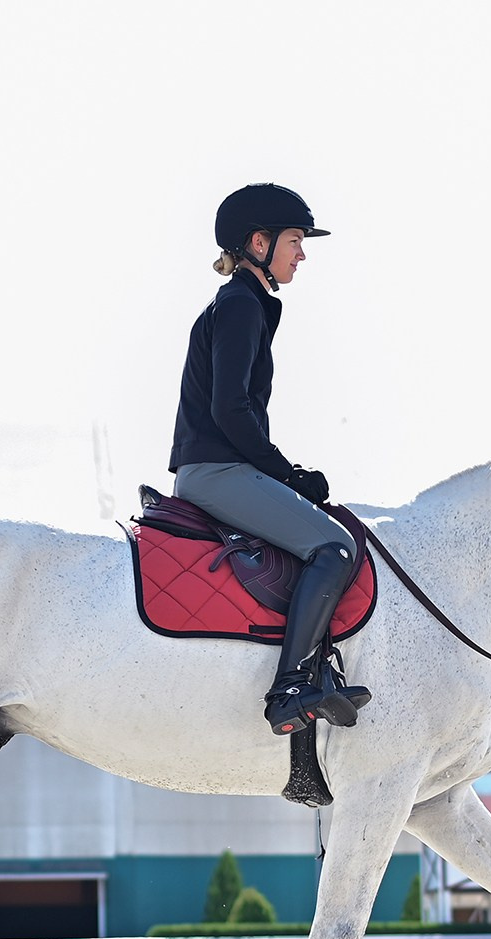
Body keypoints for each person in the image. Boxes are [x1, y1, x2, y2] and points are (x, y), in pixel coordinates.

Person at [169, 182, 369, 736]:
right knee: (334, 547)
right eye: (295, 241)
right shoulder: (240, 305)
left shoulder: (246, 303)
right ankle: (290, 688)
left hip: (223, 467)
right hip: (216, 471)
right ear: (260, 243)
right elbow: (230, 409)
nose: (302, 254)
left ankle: (313, 669)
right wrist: (287, 474)